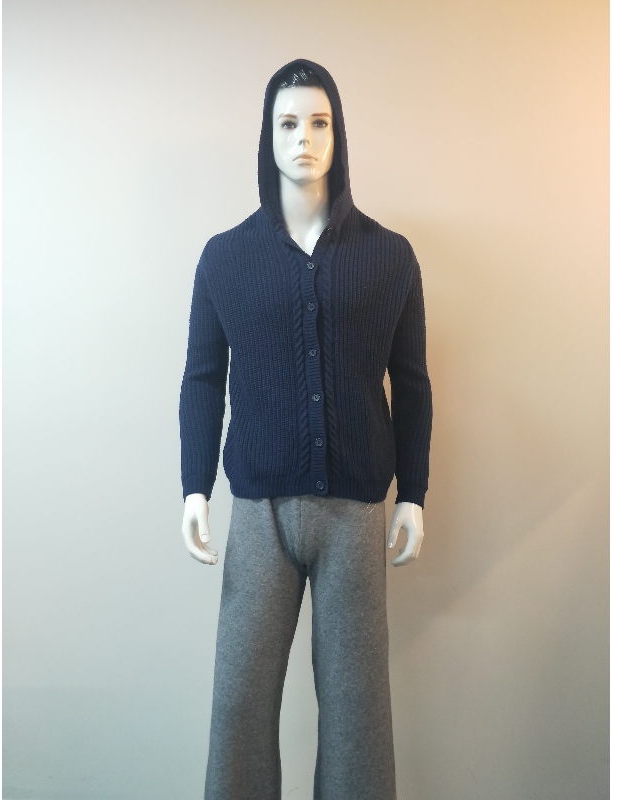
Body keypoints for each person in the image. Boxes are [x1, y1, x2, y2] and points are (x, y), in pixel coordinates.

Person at [179, 58, 432, 800]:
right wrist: (195, 487)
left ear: (338, 132)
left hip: (356, 512)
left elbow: (412, 381)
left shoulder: (389, 256)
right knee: (239, 703)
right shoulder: (226, 257)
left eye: (319, 122)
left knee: (357, 715)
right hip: (259, 512)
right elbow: (203, 378)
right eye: (288, 123)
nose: (304, 139)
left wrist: (413, 493)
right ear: (267, 135)